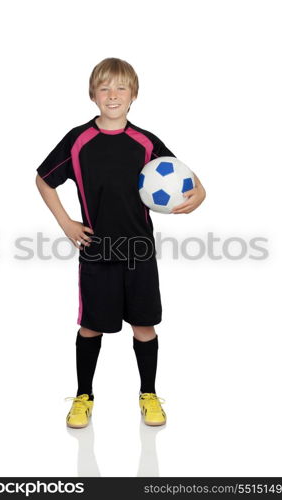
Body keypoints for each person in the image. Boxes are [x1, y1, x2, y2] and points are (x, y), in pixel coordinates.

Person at [35, 57, 206, 429]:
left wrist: (201, 193)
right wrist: (66, 223)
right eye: (104, 88)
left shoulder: (145, 142)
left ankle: (148, 393)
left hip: (140, 251)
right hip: (96, 250)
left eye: (121, 88)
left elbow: (185, 178)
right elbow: (43, 180)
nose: (113, 95)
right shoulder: (78, 140)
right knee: (91, 326)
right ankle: (83, 396)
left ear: (133, 95)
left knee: (144, 326)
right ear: (93, 94)